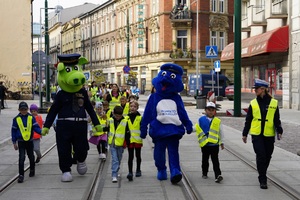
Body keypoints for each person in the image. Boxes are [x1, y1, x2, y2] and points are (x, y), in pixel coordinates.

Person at [242, 78, 283, 189]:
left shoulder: (274, 102)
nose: (255, 90)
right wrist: (245, 133)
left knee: (268, 156)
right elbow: (248, 119)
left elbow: (276, 119)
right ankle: (262, 179)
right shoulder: (253, 103)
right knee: (261, 155)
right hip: (257, 134)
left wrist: (279, 130)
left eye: (257, 89)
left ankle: (262, 172)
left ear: (263, 89)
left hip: (269, 134)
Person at [11, 102, 42, 183]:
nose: (23, 111)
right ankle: (21, 175)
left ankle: (32, 169)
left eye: (25, 109)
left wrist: (41, 132)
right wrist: (14, 142)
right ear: (19, 110)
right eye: (22, 109)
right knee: (21, 158)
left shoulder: (31, 118)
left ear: (27, 109)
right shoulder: (16, 119)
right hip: (21, 141)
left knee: (31, 156)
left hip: (29, 141)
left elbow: (35, 127)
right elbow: (13, 131)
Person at [195, 102, 224, 183]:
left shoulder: (217, 121)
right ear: (205, 110)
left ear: (215, 111)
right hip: (205, 144)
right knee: (205, 159)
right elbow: (197, 128)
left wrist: (222, 142)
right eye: (209, 110)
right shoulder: (201, 120)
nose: (210, 112)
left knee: (215, 160)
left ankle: (218, 175)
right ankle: (204, 172)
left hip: (214, 144)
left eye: (212, 110)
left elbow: (221, 132)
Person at [107, 106, 129, 183]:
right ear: (114, 114)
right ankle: (114, 174)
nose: (118, 117)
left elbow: (127, 133)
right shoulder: (111, 120)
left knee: (119, 159)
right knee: (115, 160)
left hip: (120, 144)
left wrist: (127, 143)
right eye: (116, 116)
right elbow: (108, 129)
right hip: (112, 143)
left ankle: (116, 171)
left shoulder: (125, 121)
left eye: (119, 116)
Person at [125, 100, 143, 181]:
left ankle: (138, 169)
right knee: (130, 156)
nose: (133, 108)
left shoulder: (140, 118)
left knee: (138, 156)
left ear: (137, 108)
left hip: (138, 140)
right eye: (131, 106)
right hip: (130, 140)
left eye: (134, 107)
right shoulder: (126, 118)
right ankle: (130, 172)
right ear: (129, 108)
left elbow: (142, 128)